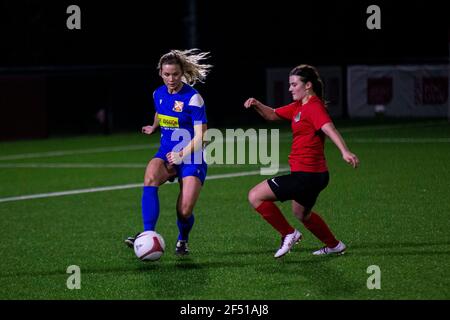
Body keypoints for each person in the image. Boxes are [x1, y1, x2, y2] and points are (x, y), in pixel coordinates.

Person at [243, 64, 359, 258]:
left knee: (255, 196)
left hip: (307, 175)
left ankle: (289, 234)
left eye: (294, 84)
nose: (290, 88)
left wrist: (344, 151)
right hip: (316, 175)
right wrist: (256, 104)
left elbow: (329, 128)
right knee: (301, 214)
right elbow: (272, 114)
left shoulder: (313, 107)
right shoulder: (299, 106)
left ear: (308, 85)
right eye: (290, 84)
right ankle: (334, 245)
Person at [125, 49, 212, 255]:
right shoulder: (158, 93)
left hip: (192, 157)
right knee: (150, 176)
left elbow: (203, 136)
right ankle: (148, 235)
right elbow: (161, 111)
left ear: (182, 73)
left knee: (184, 211)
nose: (171, 79)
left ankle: (183, 239)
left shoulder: (193, 98)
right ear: (160, 73)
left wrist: (181, 154)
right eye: (167, 74)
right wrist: (154, 126)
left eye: (175, 74)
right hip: (166, 152)